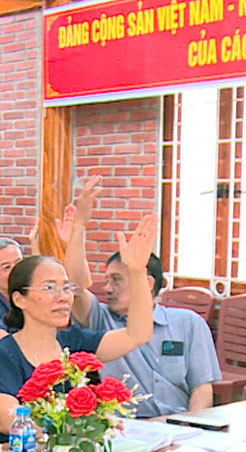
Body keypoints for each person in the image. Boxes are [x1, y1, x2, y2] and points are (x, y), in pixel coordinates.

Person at [0, 213, 158, 444]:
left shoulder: (73, 342)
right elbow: (6, 419)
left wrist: (137, 271)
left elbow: (137, 334)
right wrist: (76, 425)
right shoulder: (4, 353)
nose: (63, 297)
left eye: (66, 288)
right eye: (49, 288)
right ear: (19, 299)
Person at [65, 178, 219, 417]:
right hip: (125, 426)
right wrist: (79, 227)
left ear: (147, 283)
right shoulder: (101, 319)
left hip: (176, 423)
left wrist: (192, 427)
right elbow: (74, 287)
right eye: (106, 280)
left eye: (116, 280)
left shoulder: (188, 323)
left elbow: (202, 387)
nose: (107, 288)